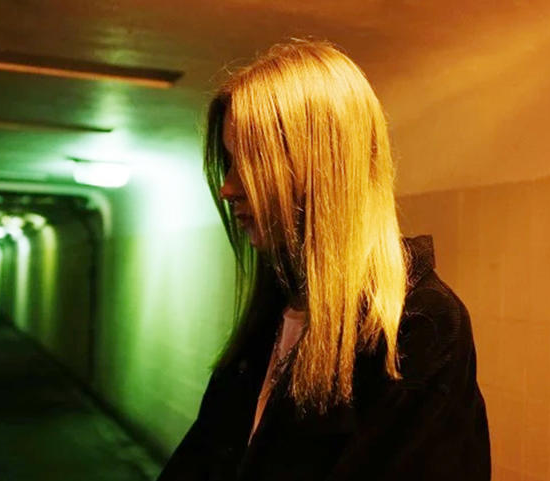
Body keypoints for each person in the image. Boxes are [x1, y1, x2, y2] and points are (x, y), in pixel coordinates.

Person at [158, 38, 490, 480]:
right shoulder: (277, 306)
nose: (228, 188)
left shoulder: (417, 325)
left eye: (251, 162)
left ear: (319, 167)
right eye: (231, 162)